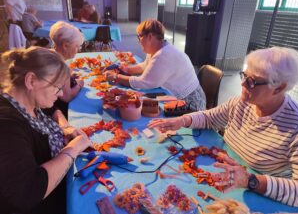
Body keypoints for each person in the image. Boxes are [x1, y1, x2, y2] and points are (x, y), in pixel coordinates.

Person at [148, 46, 298, 207]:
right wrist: (182, 120)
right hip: (221, 173)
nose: (242, 84)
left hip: (255, 196)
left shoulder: (296, 126)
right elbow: (210, 117)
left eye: (251, 81)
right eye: (244, 76)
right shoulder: (243, 102)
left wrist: (251, 180)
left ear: (279, 87)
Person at [0, 47, 92, 214]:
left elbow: (52, 109)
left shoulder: (24, 98)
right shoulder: (7, 126)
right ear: (31, 81)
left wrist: (65, 126)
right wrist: (72, 150)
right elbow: (26, 192)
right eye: (57, 87)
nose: (62, 93)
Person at [104, 19, 206, 110]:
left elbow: (143, 83)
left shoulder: (163, 55)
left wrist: (116, 77)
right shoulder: (158, 48)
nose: (138, 41)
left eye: (139, 36)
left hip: (192, 104)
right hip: (181, 96)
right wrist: (127, 70)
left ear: (150, 36)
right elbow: (145, 66)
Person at [49, 21, 85, 118]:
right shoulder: (62, 66)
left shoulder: (49, 54)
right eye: (77, 46)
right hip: (56, 110)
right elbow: (66, 97)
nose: (78, 50)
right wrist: (79, 85)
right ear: (65, 45)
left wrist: (69, 77)